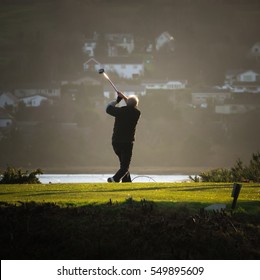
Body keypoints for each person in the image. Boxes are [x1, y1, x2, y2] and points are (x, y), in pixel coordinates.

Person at [106, 91, 141, 183]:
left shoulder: (120, 111)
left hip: (116, 143)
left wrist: (118, 100)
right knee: (125, 167)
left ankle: (127, 182)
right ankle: (114, 179)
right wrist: (125, 98)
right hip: (127, 143)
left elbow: (108, 108)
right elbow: (132, 105)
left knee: (123, 164)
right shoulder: (137, 113)